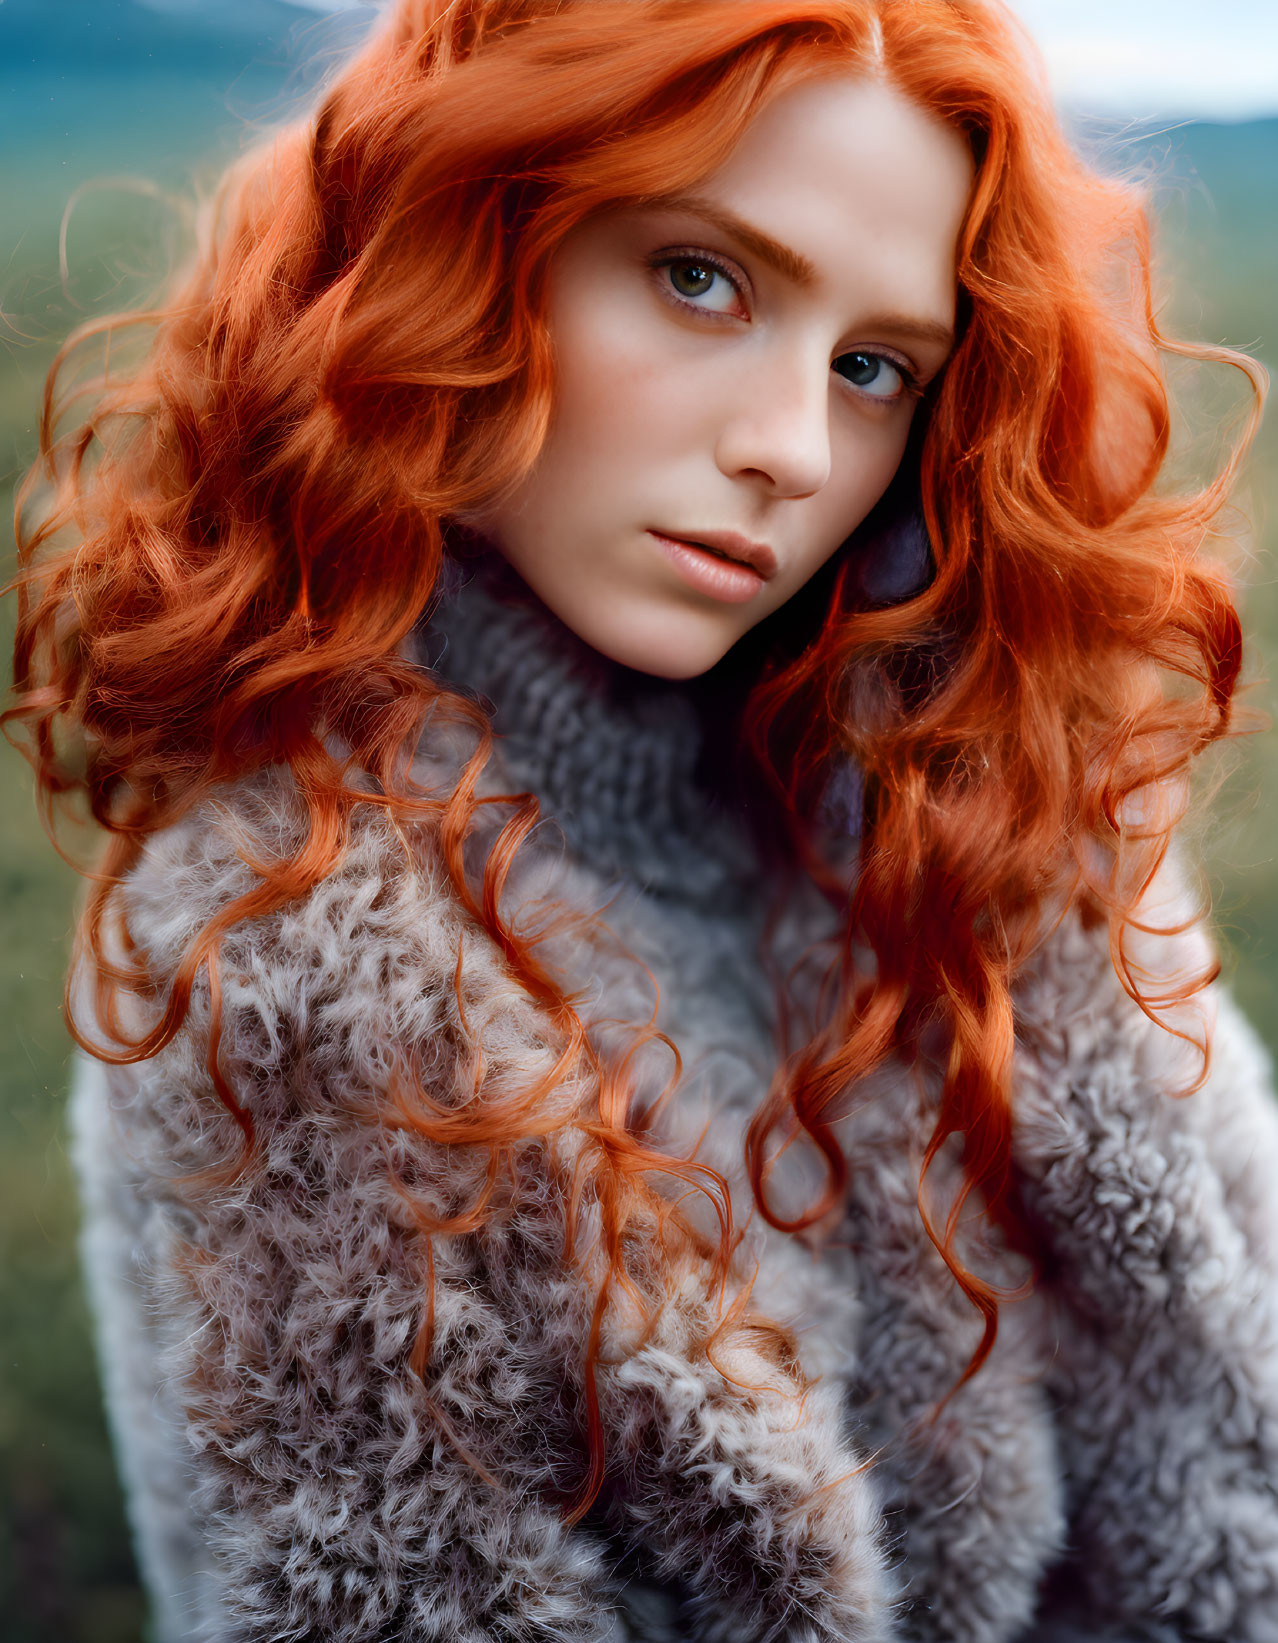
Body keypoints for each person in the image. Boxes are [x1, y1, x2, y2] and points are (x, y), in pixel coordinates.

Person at [6, 0, 1277, 1638]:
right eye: (699, 278)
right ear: (475, 242)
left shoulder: (983, 799)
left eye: (875, 367)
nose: (791, 449)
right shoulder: (295, 940)